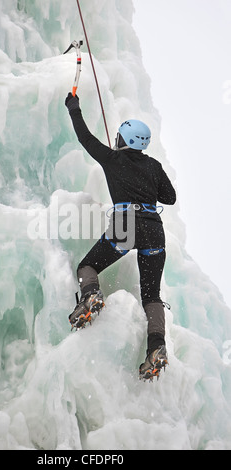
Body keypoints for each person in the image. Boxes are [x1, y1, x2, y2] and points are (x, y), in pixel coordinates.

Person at [65, 92, 176, 380]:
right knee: (152, 294)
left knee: (87, 267)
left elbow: (86, 139)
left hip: (126, 224)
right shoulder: (153, 165)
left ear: (122, 139)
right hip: (154, 231)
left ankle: (90, 296)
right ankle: (157, 348)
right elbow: (170, 197)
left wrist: (74, 107)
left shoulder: (113, 159)